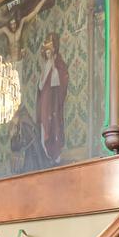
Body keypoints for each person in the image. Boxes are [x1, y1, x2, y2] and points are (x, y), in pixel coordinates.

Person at [36, 33, 69, 162]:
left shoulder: (58, 62)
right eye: (47, 51)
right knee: (44, 123)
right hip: (45, 99)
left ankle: (55, 154)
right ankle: (46, 152)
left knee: (53, 124)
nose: (48, 53)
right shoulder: (46, 65)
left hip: (53, 101)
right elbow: (40, 85)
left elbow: (61, 79)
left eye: (50, 50)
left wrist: (54, 67)